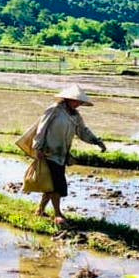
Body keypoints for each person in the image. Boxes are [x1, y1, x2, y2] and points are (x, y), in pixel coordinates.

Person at [32, 84, 107, 224]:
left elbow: (83, 131)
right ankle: (57, 214)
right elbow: (41, 128)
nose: (78, 104)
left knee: (51, 184)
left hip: (62, 155)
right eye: (76, 101)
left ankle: (40, 210)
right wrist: (38, 147)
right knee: (57, 184)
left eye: (80, 102)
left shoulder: (75, 116)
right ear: (67, 99)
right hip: (48, 152)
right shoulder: (54, 110)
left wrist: (97, 141)